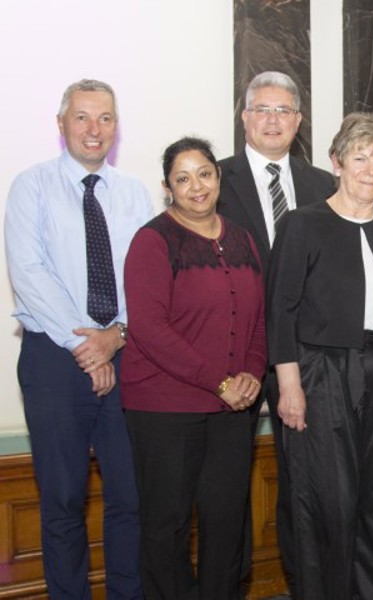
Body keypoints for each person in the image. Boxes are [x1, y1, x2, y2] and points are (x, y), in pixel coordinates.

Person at [4, 79, 150, 599]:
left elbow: (146, 277)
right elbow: (30, 273)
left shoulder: (134, 193)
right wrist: (88, 347)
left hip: (126, 353)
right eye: (83, 117)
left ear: (116, 127)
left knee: (130, 499)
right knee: (63, 499)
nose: (95, 129)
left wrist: (116, 337)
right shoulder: (31, 186)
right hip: (53, 360)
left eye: (106, 118)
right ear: (61, 123)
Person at [267, 112, 373, 599]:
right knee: (329, 503)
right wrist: (289, 385)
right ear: (336, 163)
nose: (371, 170)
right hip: (321, 374)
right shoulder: (302, 224)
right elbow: (281, 310)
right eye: (360, 158)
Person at [122, 137, 267, 599]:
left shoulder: (241, 239)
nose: (196, 186)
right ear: (168, 189)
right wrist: (219, 381)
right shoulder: (152, 241)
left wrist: (250, 373)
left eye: (204, 173)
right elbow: (148, 328)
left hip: (231, 409)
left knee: (226, 524)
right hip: (164, 408)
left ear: (218, 177)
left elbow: (258, 320)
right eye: (182, 179)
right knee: (167, 526)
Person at [216, 70, 336, 592]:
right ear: (244, 118)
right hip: (231, 358)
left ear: (298, 122)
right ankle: (231, 586)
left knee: (302, 484)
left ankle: (302, 584)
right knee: (226, 486)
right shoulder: (213, 181)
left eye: (283, 111)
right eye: (261, 109)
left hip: (301, 359)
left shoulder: (321, 186)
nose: (272, 120)